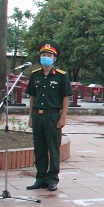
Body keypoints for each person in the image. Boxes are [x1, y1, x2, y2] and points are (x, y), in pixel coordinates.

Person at [25, 39, 73, 192]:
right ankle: (40, 178)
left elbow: (66, 97)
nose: (45, 57)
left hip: (53, 116)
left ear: (54, 58)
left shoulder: (61, 76)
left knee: (53, 148)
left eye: (49, 55)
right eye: (43, 54)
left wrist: (63, 117)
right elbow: (32, 96)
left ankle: (52, 179)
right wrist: (30, 116)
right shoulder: (35, 75)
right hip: (38, 115)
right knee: (39, 149)